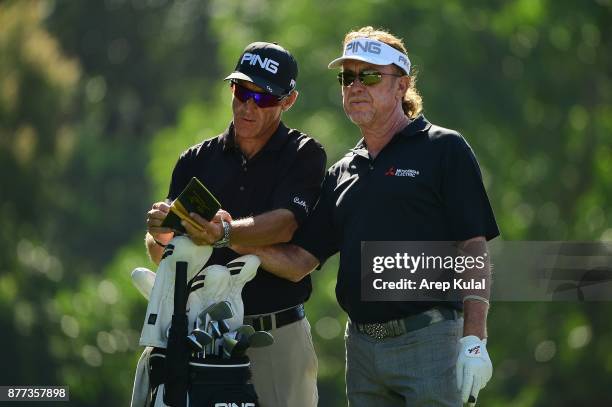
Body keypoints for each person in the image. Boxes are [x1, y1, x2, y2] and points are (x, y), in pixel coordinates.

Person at [235, 27, 500, 406]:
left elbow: (473, 245)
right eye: (348, 77)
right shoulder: (343, 172)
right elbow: (299, 263)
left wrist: (475, 340)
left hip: (430, 341)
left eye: (370, 75)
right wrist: (226, 236)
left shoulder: (444, 149)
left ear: (401, 86)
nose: (356, 86)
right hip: (362, 349)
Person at [145, 41, 325, 407]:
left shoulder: (304, 154)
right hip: (197, 334)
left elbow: (285, 225)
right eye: (242, 91)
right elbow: (162, 251)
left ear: (288, 101)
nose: (248, 106)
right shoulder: (195, 160)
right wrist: (161, 233)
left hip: (276, 335)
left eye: (264, 98)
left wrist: (220, 235)